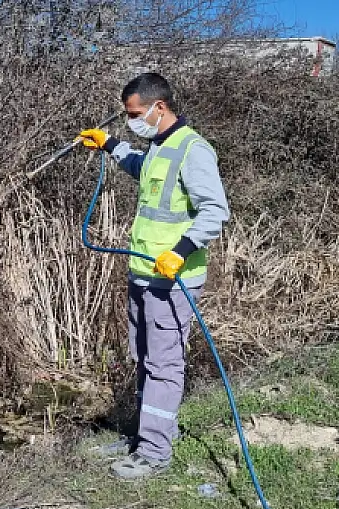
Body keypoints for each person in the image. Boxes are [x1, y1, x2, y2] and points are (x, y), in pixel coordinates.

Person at [75, 72, 230, 480]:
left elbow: (215, 211)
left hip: (173, 278)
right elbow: (142, 169)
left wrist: (179, 253)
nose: (132, 121)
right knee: (143, 358)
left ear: (159, 107)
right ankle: (148, 436)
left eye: (135, 114)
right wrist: (109, 144)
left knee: (164, 364)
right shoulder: (159, 146)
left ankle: (155, 453)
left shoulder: (193, 149)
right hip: (142, 272)